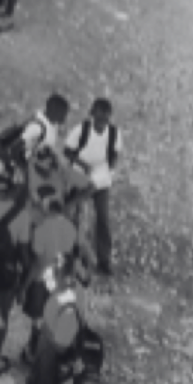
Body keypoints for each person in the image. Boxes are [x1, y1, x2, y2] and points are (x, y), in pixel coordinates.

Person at [66, 99, 121, 274]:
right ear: (92, 114)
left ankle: (104, 260)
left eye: (105, 117)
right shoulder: (81, 130)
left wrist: (99, 178)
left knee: (103, 219)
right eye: (98, 117)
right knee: (73, 215)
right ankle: (71, 255)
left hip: (100, 179)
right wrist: (83, 165)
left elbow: (112, 161)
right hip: (78, 174)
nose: (101, 122)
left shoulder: (114, 134)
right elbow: (67, 151)